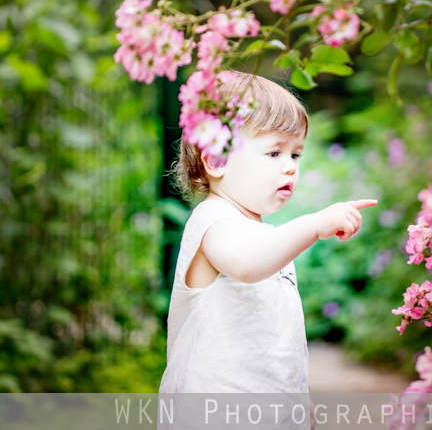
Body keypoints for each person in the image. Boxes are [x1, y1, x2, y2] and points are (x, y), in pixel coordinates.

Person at [158, 72, 376, 426]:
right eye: (274, 152)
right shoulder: (213, 222)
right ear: (216, 160)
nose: (290, 166)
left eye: (296, 154)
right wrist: (315, 224)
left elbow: (276, 337)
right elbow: (247, 264)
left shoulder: (262, 233)